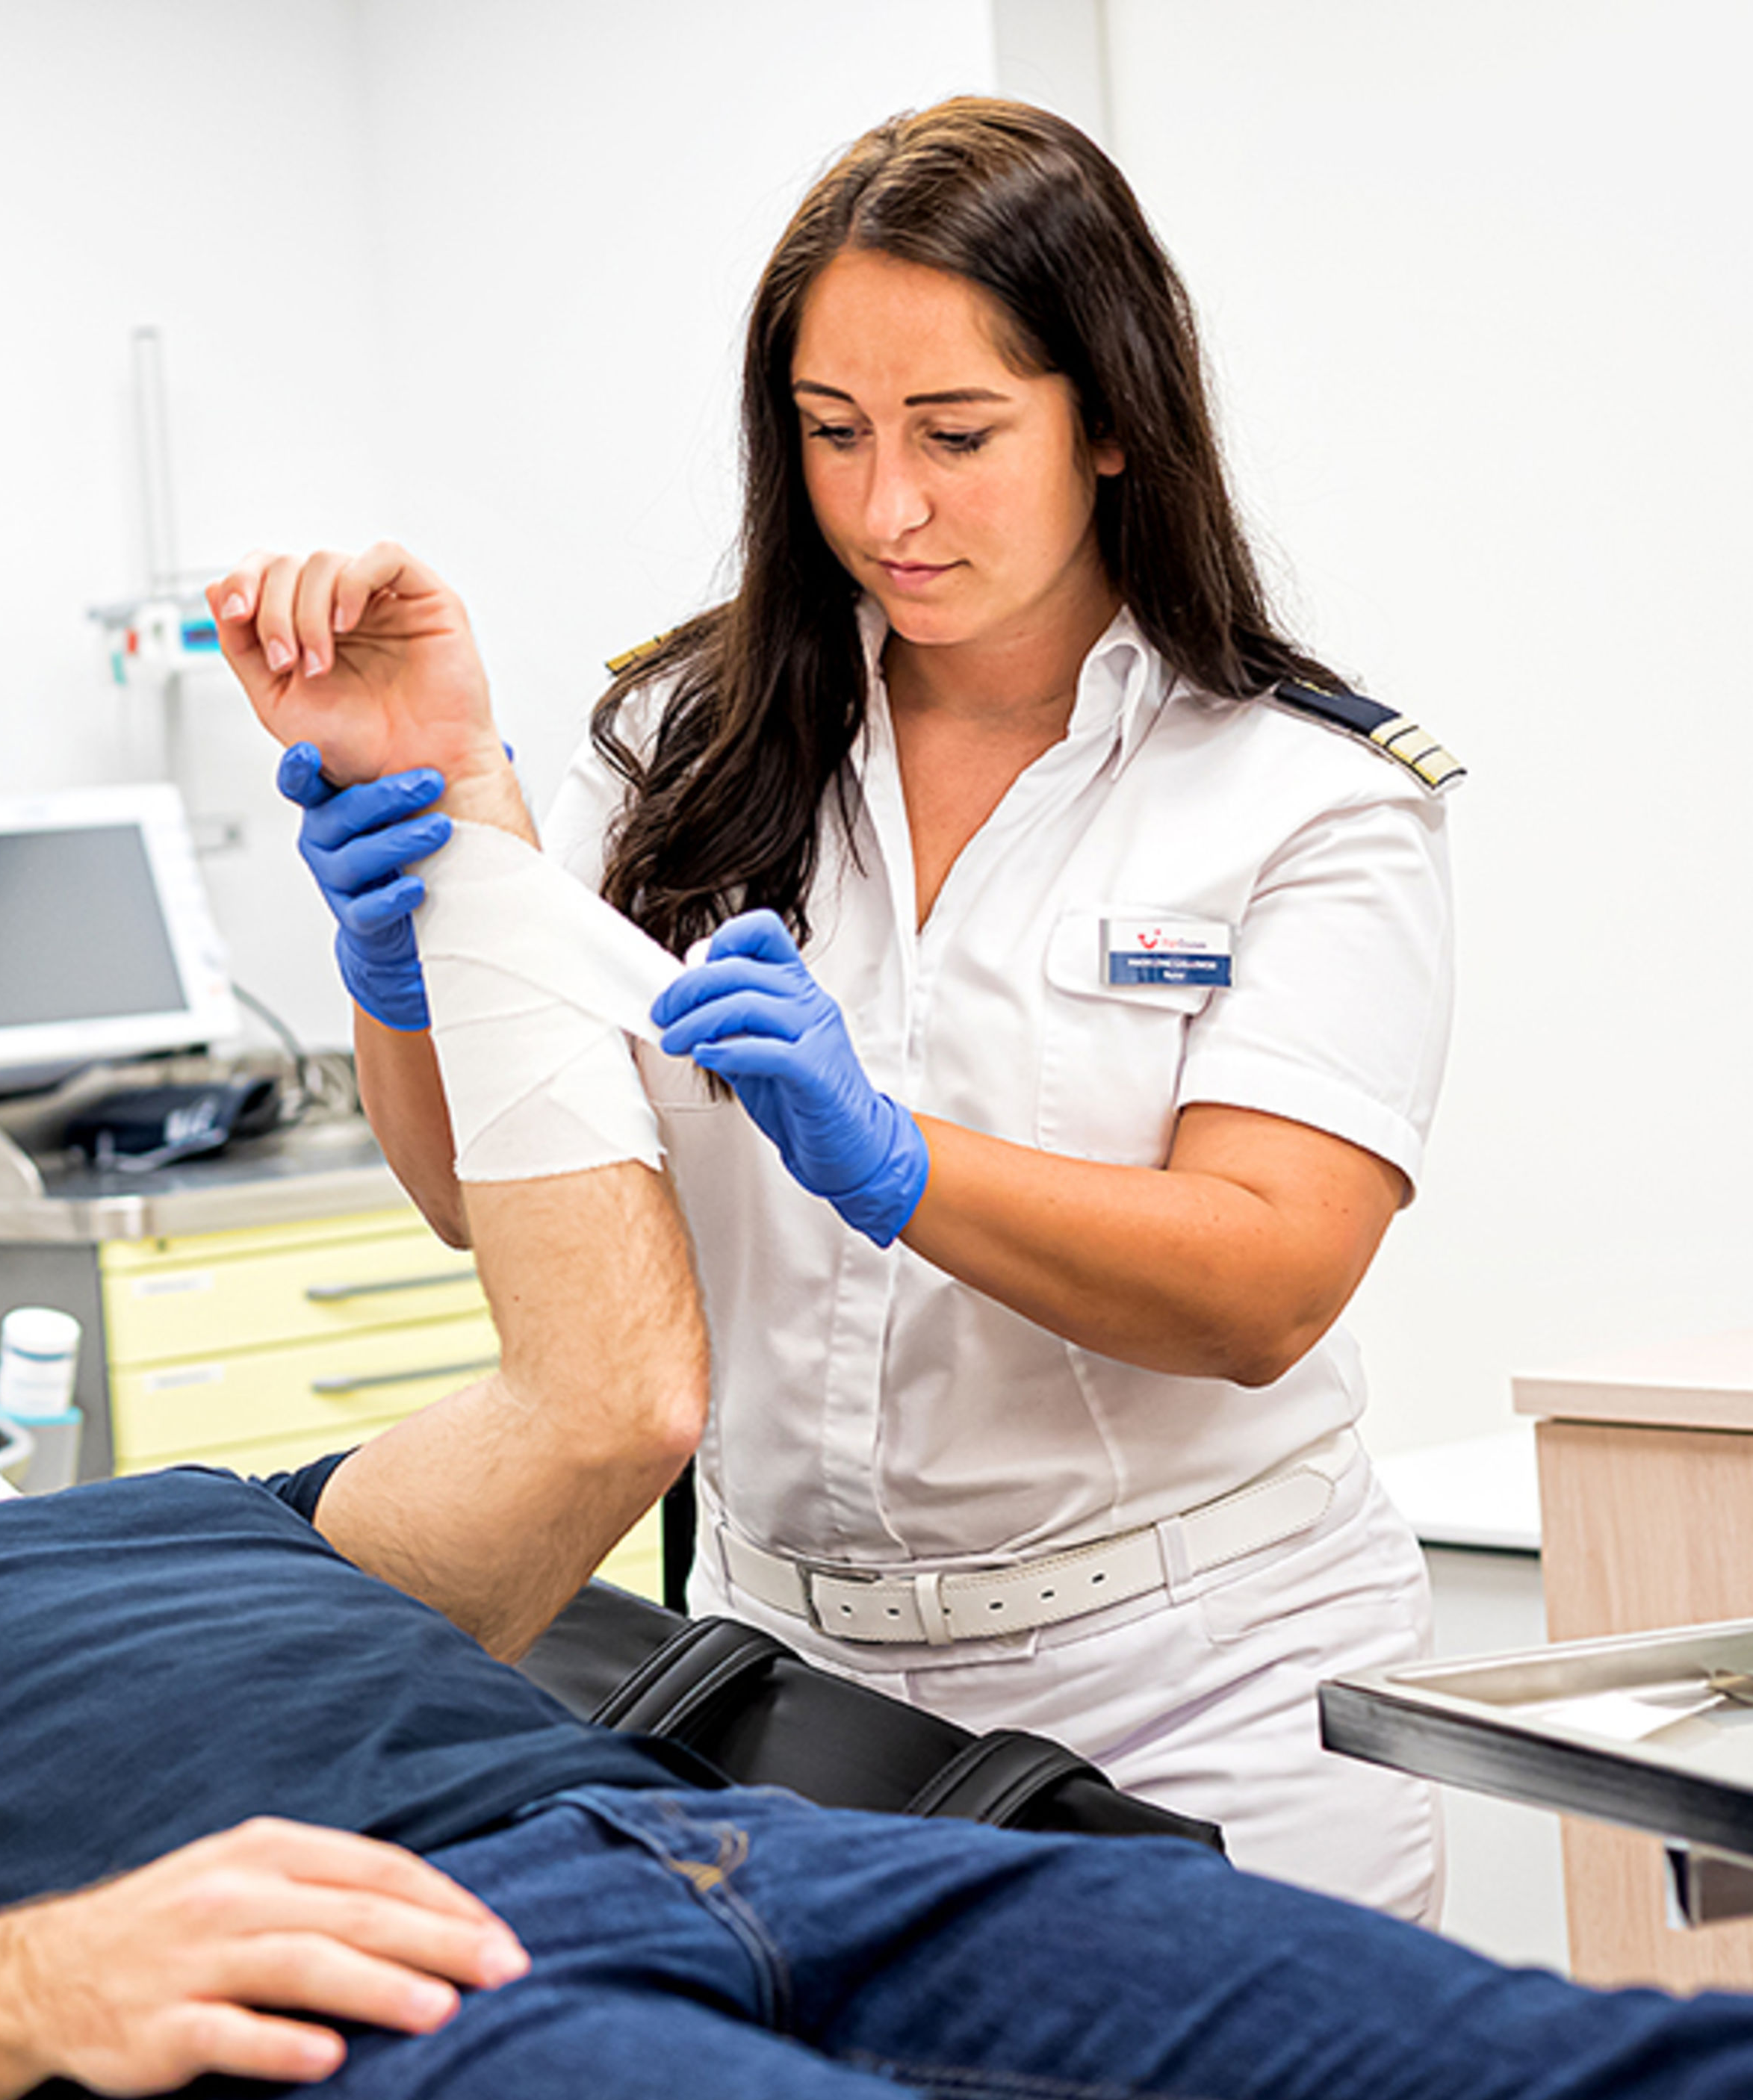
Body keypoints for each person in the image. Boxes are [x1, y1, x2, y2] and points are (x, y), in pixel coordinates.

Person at [0, 677, 1753, 2100]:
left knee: (1733, 2096)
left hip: (766, 1855)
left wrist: (462, 893)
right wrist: (65, 1973)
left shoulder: (199, 1518)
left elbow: (615, 1398)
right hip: (329, 2012)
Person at [255, 96, 1461, 1920]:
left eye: (958, 435)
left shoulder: (1300, 796)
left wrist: (903, 1166)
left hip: (1192, 1679)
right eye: (833, 435)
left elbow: (1263, 1286)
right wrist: (407, 982)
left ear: (1114, 420)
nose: (886, 506)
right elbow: (472, 1198)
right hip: (781, 1685)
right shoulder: (684, 747)